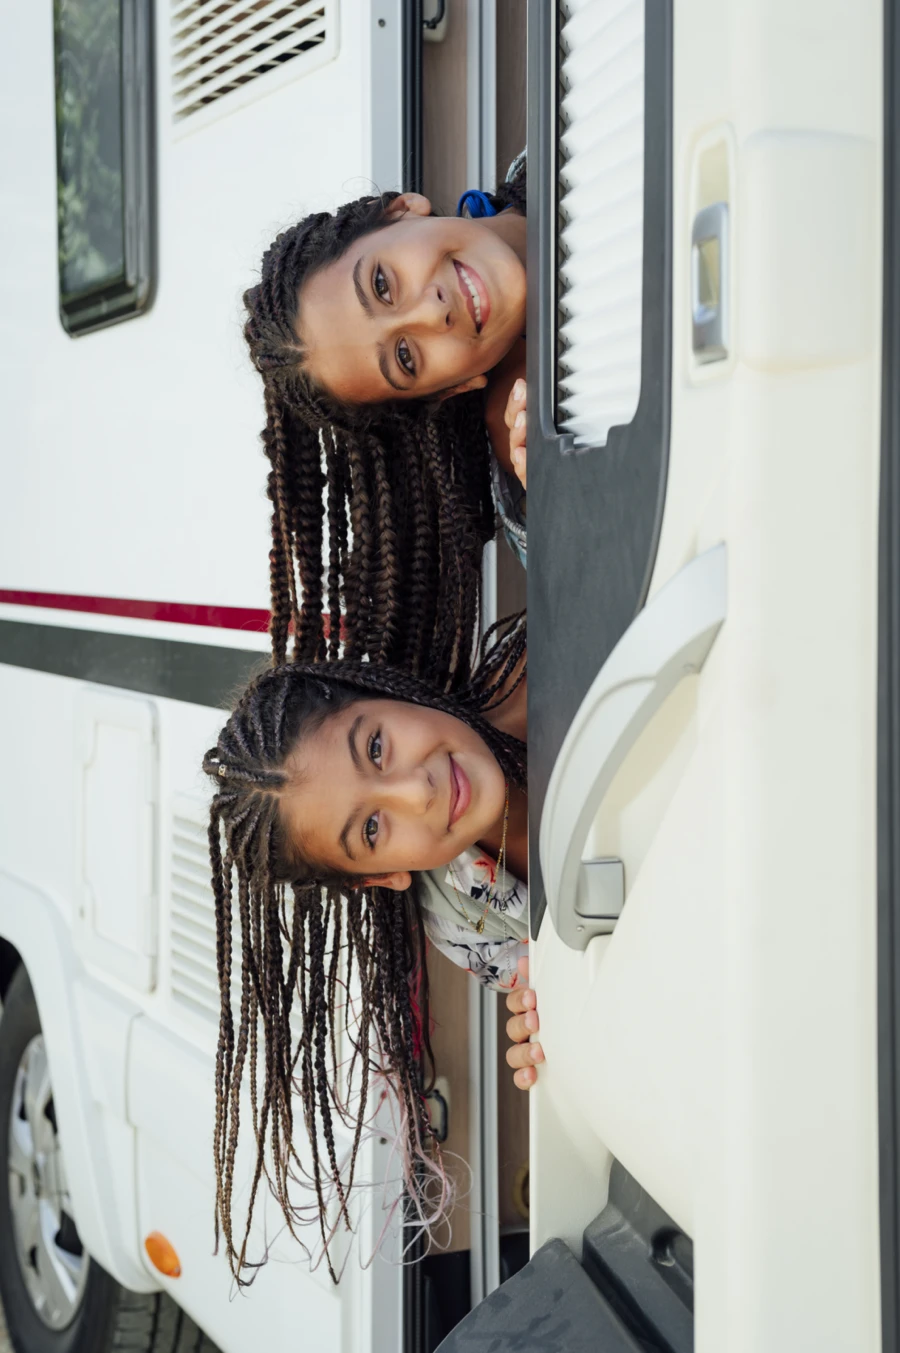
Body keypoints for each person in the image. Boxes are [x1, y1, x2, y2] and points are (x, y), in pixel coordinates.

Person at [203, 617, 541, 1282]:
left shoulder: (555, 654)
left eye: (378, 747)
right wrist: (562, 1025)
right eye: (374, 826)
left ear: (389, 691)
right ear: (381, 876)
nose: (417, 790)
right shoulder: (459, 919)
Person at [243, 155, 528, 689]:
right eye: (405, 356)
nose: (430, 314)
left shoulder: (566, 121)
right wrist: (575, 504)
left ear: (401, 210)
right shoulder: (535, 480)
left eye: (382, 284)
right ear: (449, 390)